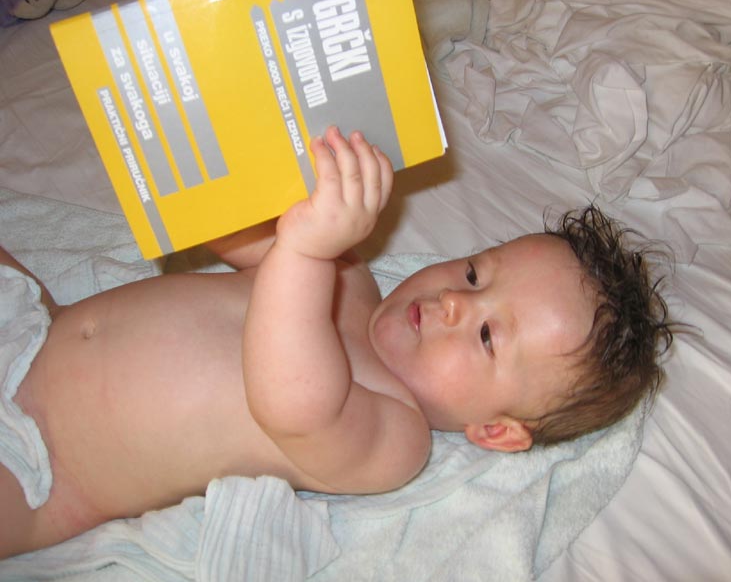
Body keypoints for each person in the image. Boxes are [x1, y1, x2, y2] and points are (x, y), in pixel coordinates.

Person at [0, 126, 673, 558]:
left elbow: (290, 402)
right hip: (32, 322)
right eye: (475, 273)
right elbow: (230, 234)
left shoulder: (395, 437)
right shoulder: (350, 280)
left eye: (488, 334)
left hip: (39, 465)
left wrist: (303, 249)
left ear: (494, 429)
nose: (453, 302)